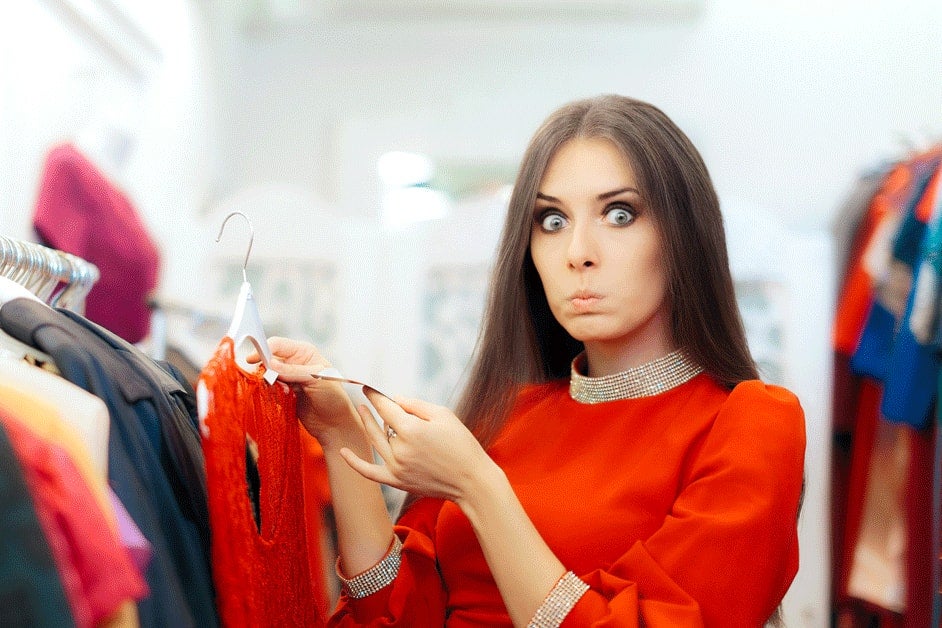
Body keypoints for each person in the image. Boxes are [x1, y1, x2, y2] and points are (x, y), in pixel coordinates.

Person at [265, 94, 806, 627]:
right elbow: (398, 615)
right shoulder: (506, 413)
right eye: (551, 220)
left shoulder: (749, 423)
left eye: (619, 214)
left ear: (684, 234)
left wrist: (478, 486)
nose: (578, 251)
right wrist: (342, 438)